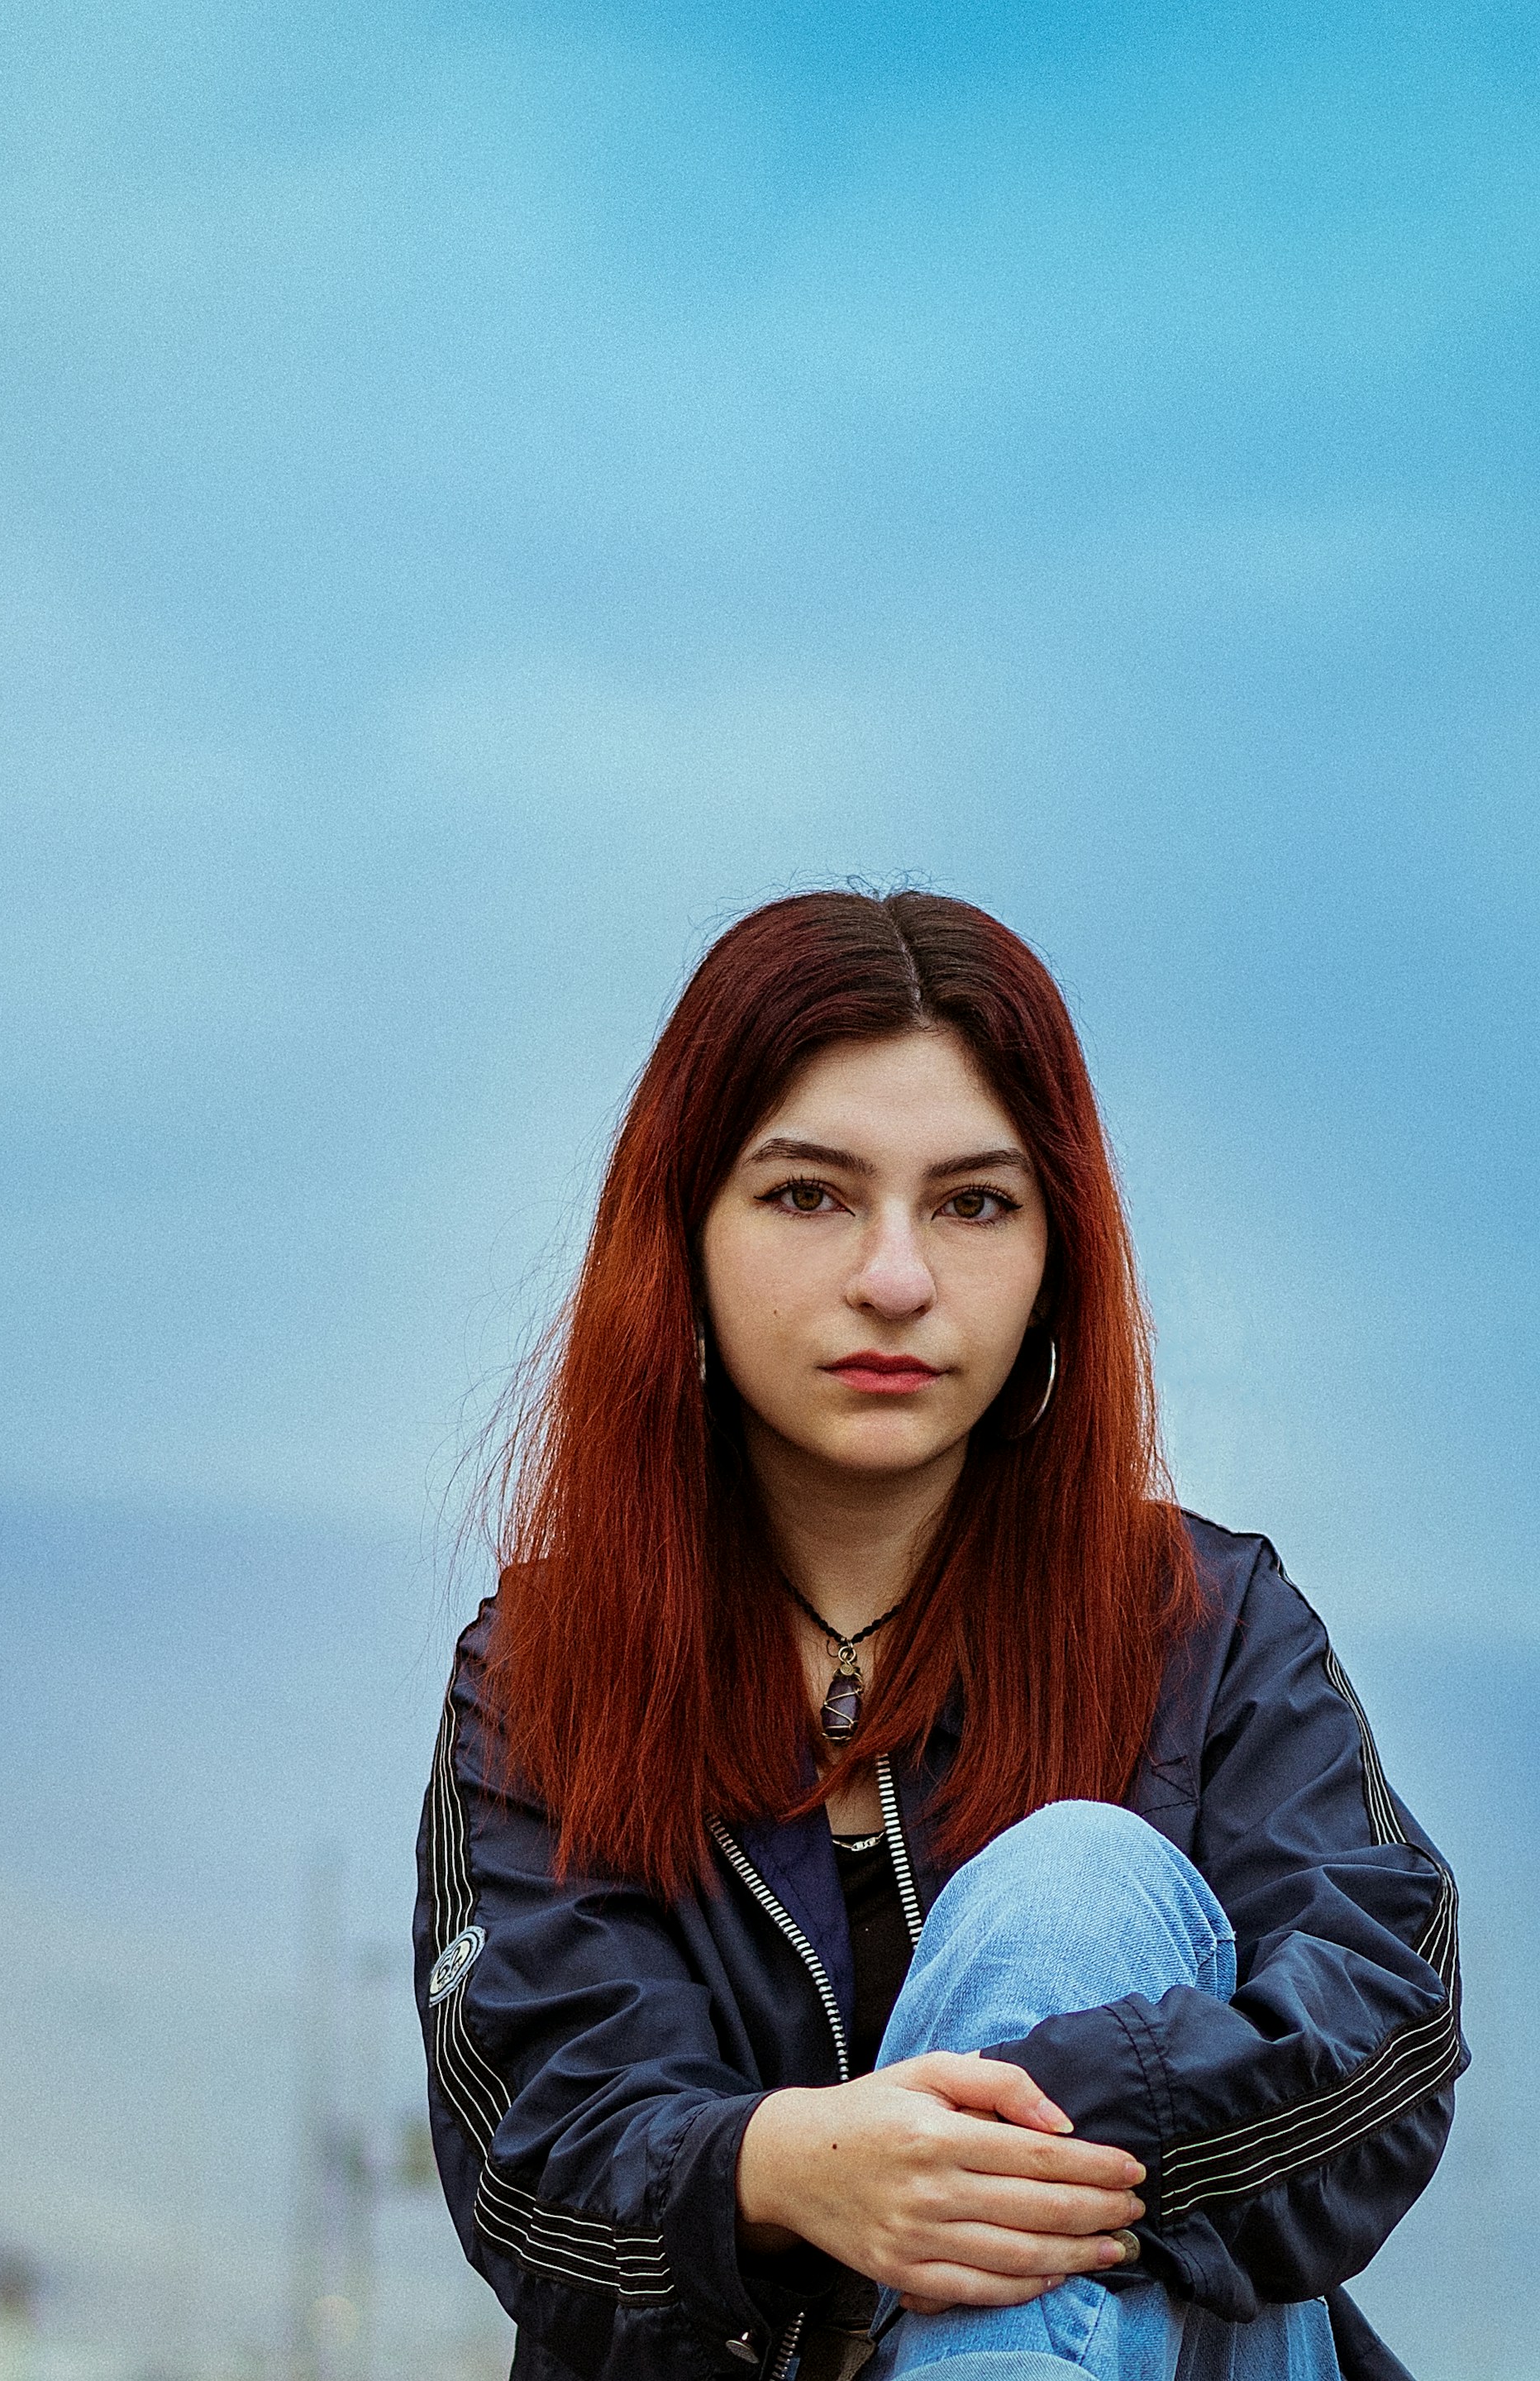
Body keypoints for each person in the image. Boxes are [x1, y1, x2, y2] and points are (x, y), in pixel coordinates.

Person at [415, 890, 1462, 2381]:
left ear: (1056, 1255)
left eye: (972, 1204)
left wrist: (997, 2128)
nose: (895, 1279)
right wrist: (798, 2170)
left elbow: (1383, 2046)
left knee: (1072, 1889)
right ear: (683, 1234)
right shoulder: (546, 1670)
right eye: (809, 1196)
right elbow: (540, 2171)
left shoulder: (1206, 1626)